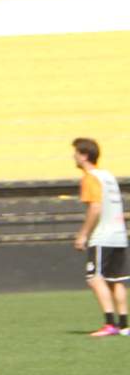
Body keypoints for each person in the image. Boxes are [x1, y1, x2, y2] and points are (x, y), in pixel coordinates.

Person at [72, 137, 130, 337]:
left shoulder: (90, 177)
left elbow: (95, 207)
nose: (73, 157)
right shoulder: (108, 176)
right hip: (119, 235)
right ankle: (124, 326)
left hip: (103, 236)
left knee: (95, 278)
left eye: (76, 153)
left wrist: (83, 234)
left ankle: (109, 324)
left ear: (84, 156)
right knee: (116, 280)